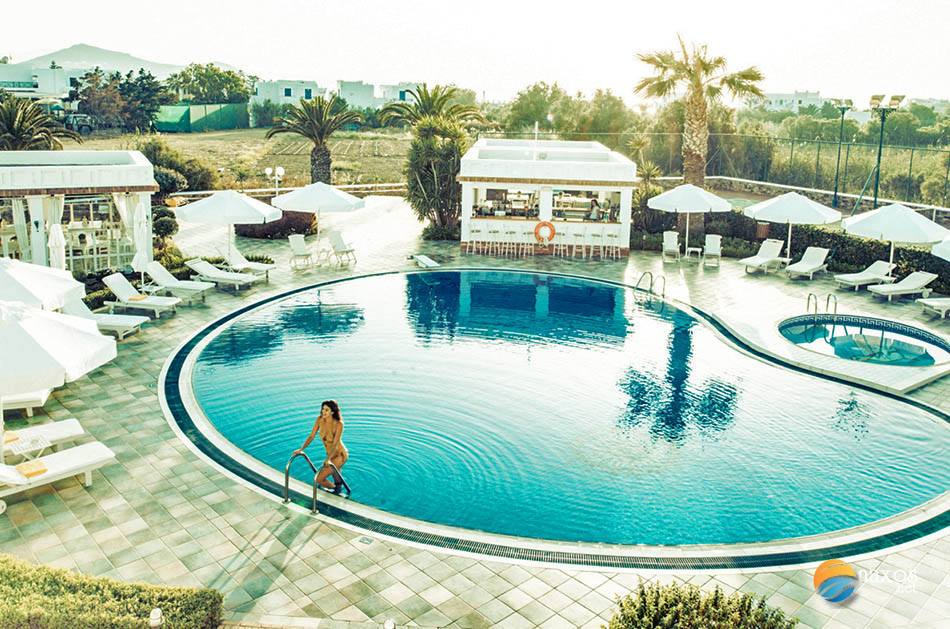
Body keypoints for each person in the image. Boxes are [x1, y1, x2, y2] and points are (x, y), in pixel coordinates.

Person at [294, 400, 348, 491]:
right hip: (330, 454)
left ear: (332, 412)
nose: (323, 412)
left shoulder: (339, 424)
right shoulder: (319, 420)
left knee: (319, 479)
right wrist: (301, 449)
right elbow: (311, 436)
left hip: (340, 455)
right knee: (337, 479)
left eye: (326, 410)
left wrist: (328, 459)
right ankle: (337, 489)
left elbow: (335, 443)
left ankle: (335, 491)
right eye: (323, 409)